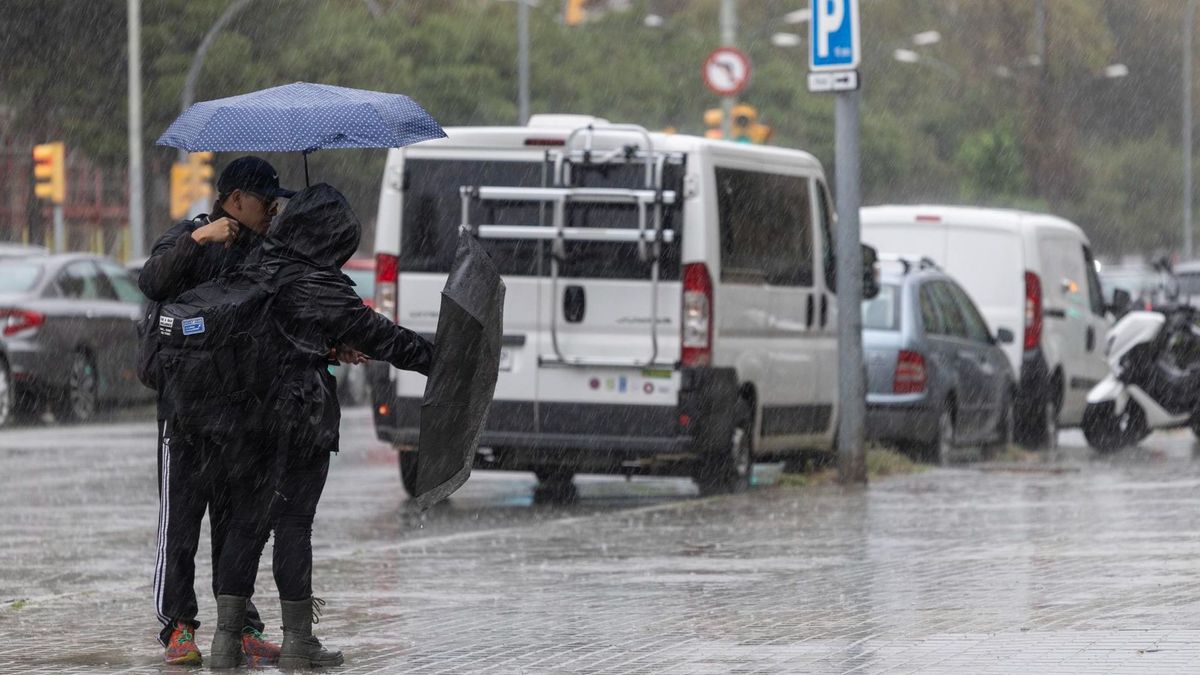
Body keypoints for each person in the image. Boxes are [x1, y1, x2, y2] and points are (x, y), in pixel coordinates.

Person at [204, 184, 433, 669]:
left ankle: (225, 643)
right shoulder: (318, 284)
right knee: (292, 526)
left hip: (243, 417)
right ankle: (298, 641)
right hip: (297, 417)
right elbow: (380, 336)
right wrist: (439, 359)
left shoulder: (253, 266)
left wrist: (324, 347)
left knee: (246, 524)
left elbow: (274, 335)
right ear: (329, 239)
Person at [139, 156, 293, 666]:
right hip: (184, 417)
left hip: (241, 416)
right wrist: (199, 241)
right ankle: (178, 628)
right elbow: (153, 282)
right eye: (266, 202)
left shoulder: (264, 255)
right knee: (179, 527)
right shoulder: (188, 240)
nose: (273, 211)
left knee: (237, 529)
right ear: (235, 200)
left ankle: (241, 624)